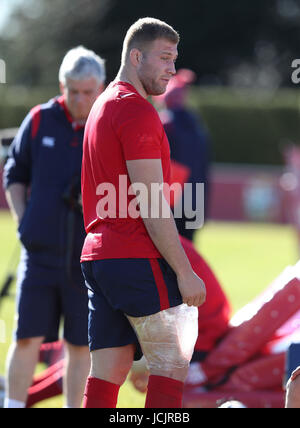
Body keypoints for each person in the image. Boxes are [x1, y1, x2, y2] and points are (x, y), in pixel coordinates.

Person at [80, 17, 206, 409]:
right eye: (164, 57)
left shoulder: (102, 103)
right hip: (134, 255)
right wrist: (185, 272)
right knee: (172, 362)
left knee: (108, 370)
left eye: (174, 58)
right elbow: (152, 204)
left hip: (98, 258)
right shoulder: (136, 111)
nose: (171, 67)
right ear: (136, 56)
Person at [2, 46, 106, 408]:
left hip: (86, 257)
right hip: (40, 254)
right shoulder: (40, 119)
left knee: (80, 344)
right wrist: (24, 220)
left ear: (101, 87)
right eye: (72, 90)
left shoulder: (107, 125)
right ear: (62, 86)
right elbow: (14, 172)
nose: (79, 99)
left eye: (87, 91)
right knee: (26, 336)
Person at [21, 235, 230, 408]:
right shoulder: (150, 239)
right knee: (100, 357)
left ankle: (23, 396)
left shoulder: (143, 244)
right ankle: (21, 391)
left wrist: (142, 364)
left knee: (103, 358)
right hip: (191, 326)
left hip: (199, 338)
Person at [154, 68, 211, 242]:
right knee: (189, 254)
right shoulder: (197, 125)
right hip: (196, 199)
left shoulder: (164, 122)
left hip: (171, 200)